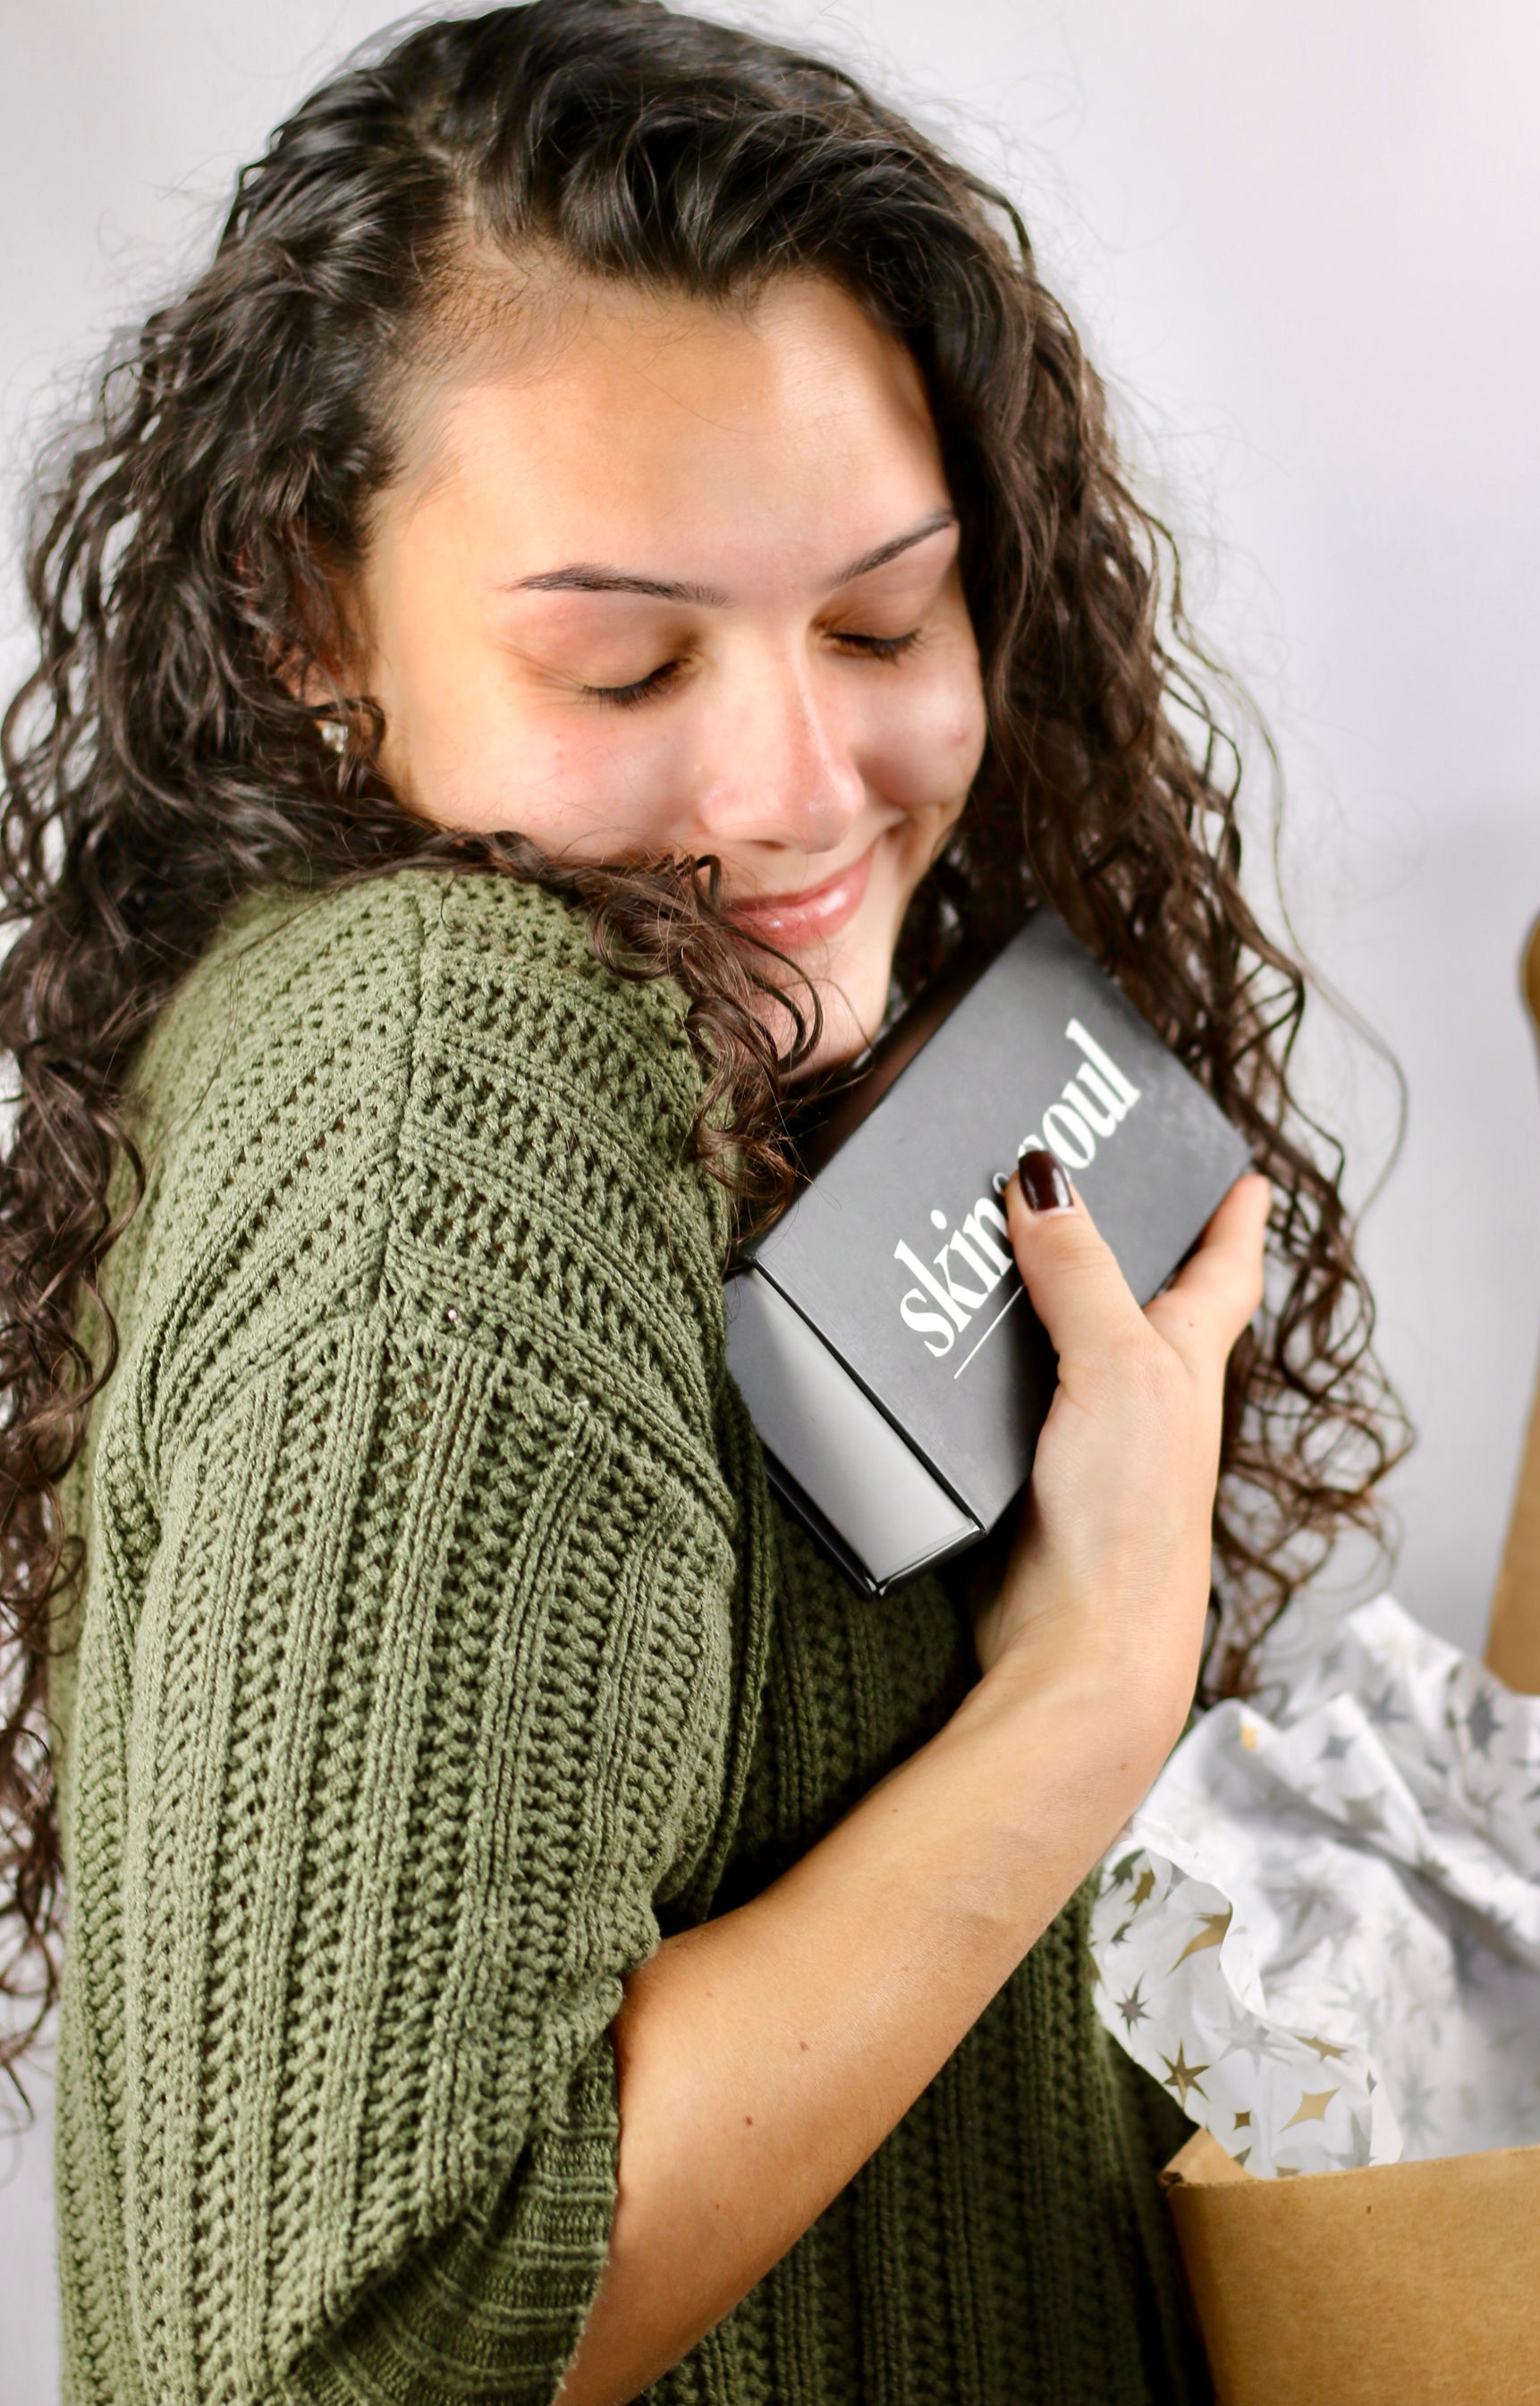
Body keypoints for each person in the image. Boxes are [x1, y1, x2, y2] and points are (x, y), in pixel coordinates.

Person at [0, 6, 1401, 2401]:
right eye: (624, 660)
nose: (795, 783)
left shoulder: (737, 1050)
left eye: (881, 620)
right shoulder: (464, 1064)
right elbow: (346, 2349)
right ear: (305, 627)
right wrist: (1082, 1691)